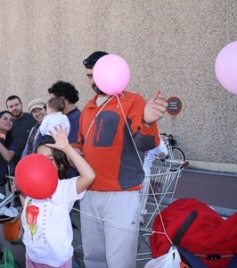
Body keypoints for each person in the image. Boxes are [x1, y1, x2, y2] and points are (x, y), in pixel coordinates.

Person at [77, 51, 169, 267]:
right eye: (89, 76)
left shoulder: (133, 101)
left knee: (120, 260)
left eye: (95, 75)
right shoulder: (88, 108)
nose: (92, 81)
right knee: (93, 256)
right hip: (88, 193)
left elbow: (145, 144)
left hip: (121, 195)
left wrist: (147, 122)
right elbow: (80, 143)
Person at [14, 126, 95, 267]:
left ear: (60, 165)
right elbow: (28, 210)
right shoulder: (32, 187)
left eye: (50, 159)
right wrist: (20, 191)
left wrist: (67, 148)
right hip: (32, 256)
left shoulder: (63, 188)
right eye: (40, 158)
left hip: (56, 261)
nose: (43, 164)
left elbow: (89, 176)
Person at [6, 95, 36, 175]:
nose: (14, 108)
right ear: (7, 109)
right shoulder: (7, 124)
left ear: (21, 104)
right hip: (14, 164)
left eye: (16, 105)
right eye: (11, 106)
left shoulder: (32, 118)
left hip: (33, 163)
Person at [47, 81, 81, 146]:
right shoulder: (66, 116)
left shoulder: (76, 118)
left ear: (62, 99)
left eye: (52, 100)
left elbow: (73, 145)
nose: (51, 105)